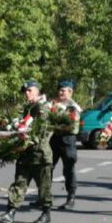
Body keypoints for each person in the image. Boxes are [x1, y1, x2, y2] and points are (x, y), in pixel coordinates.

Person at [0, 80, 54, 223]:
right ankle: (10, 214)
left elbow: (41, 131)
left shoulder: (43, 108)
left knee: (43, 186)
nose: (26, 93)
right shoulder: (28, 108)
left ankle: (46, 213)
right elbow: (21, 125)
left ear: (37, 91)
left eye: (29, 90)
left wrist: (25, 135)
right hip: (25, 153)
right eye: (25, 91)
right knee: (19, 183)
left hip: (40, 154)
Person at [50, 80, 82, 210]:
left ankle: (71, 198)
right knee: (47, 167)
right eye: (60, 90)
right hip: (55, 140)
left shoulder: (73, 107)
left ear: (70, 92)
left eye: (63, 90)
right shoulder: (54, 104)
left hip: (68, 140)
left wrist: (58, 125)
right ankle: (45, 197)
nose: (61, 93)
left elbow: (74, 127)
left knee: (68, 170)